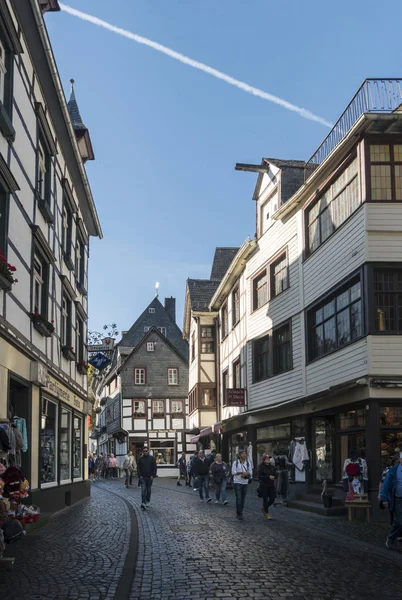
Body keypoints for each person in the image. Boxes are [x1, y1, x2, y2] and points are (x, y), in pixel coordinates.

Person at [380, 452, 402, 549]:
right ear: (400, 460)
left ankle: (399, 538)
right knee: (399, 521)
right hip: (397, 498)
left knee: (399, 521)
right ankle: (392, 537)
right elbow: (385, 485)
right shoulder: (393, 470)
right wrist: (384, 498)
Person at [231, 450, 252, 520]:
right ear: (239, 455)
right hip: (237, 482)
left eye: (245, 454)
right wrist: (241, 473)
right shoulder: (235, 463)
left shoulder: (248, 463)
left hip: (245, 482)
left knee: (243, 499)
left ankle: (241, 511)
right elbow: (233, 472)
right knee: (239, 498)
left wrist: (247, 474)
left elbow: (250, 473)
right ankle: (239, 513)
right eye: (243, 454)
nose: (244, 455)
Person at [258, 455, 277, 519]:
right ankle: (267, 513)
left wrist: (274, 477)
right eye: (267, 459)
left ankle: (264, 508)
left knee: (272, 499)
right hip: (264, 485)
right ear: (264, 460)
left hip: (271, 485)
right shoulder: (261, 467)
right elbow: (260, 476)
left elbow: (275, 475)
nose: (268, 460)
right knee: (265, 499)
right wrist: (268, 477)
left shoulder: (272, 467)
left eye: (269, 458)